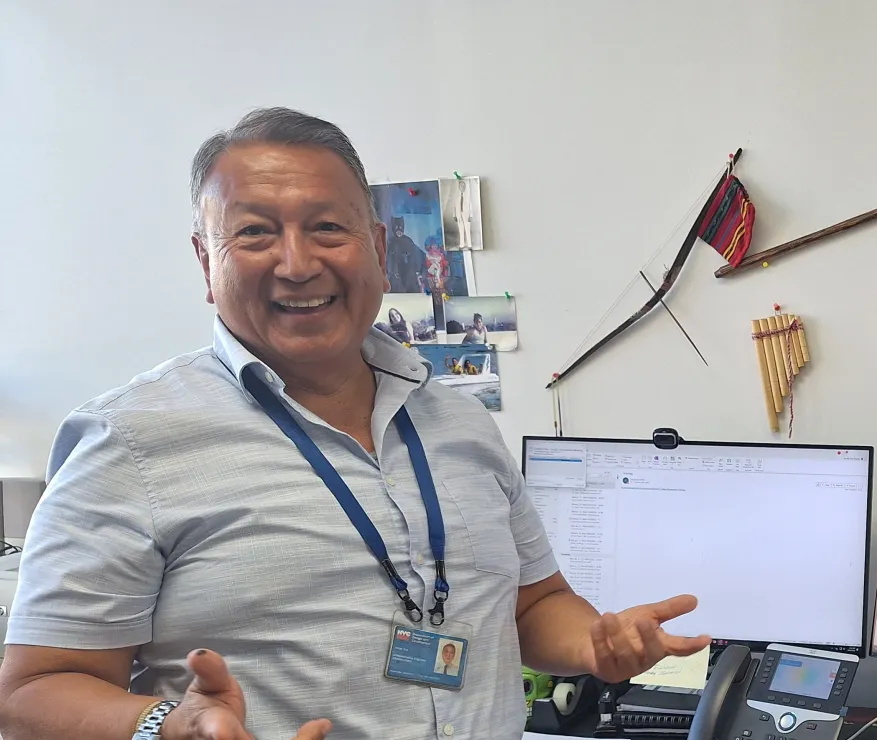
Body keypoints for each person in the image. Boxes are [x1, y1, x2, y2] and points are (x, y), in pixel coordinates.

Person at [0, 107, 709, 740]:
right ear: (204, 259)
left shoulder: (460, 423)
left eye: (327, 228)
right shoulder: (127, 442)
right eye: (254, 232)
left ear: (377, 244)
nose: (297, 263)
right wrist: (163, 726)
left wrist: (594, 644)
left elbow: (534, 604)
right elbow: (30, 694)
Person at [385, 216, 426, 293]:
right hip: (396, 277)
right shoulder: (390, 243)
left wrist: (420, 271)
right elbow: (387, 259)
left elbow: (420, 256)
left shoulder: (408, 241)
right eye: (396, 229)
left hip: (408, 277)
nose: (399, 231)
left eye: (401, 228)